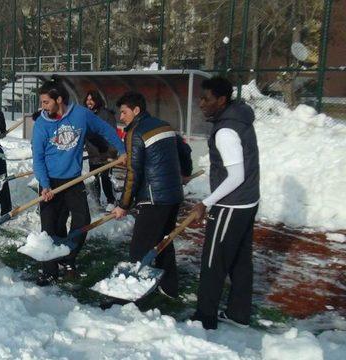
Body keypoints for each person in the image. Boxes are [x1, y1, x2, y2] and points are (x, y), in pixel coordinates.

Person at [32, 79, 126, 286]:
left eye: (46, 102)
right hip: (51, 182)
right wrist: (45, 185)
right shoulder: (41, 124)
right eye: (42, 102)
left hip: (74, 180)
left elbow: (105, 130)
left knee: (82, 222)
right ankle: (49, 269)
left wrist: (121, 150)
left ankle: (68, 259)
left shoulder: (81, 115)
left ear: (59, 99)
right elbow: (37, 157)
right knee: (50, 227)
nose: (43, 107)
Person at [190, 76, 260, 330]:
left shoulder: (226, 131)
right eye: (200, 98)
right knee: (241, 261)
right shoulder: (239, 117)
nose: (201, 103)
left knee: (213, 261)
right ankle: (238, 314)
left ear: (221, 100)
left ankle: (204, 318)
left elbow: (236, 175)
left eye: (206, 99)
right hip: (248, 201)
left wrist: (205, 203)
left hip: (231, 205)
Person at [111, 91, 184, 299]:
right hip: (173, 195)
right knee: (164, 242)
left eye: (124, 113)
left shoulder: (135, 132)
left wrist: (123, 204)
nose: (121, 117)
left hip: (153, 198)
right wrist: (184, 173)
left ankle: (132, 294)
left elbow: (133, 172)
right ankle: (170, 288)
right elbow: (184, 153)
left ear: (136, 110)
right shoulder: (165, 126)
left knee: (139, 249)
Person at [83, 90, 118, 210]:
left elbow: (112, 134)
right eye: (87, 99)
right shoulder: (85, 114)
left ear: (97, 100)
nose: (89, 102)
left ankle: (111, 201)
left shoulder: (106, 114)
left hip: (106, 152)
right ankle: (96, 201)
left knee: (105, 177)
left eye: (91, 99)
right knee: (94, 178)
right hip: (93, 153)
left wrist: (112, 153)